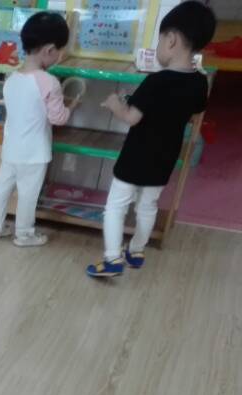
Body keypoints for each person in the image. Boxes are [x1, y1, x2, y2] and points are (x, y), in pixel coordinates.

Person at [87, 0, 216, 278]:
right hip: (165, 157)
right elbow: (194, 110)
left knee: (116, 205)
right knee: (148, 205)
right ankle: (136, 252)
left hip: (136, 157)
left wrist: (115, 104)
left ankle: (112, 259)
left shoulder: (156, 81)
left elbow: (132, 117)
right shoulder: (199, 82)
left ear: (171, 40)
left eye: (159, 39)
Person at [0, 11, 76, 247]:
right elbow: (58, 118)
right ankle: (24, 234)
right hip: (34, 153)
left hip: (11, 149)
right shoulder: (49, 82)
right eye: (60, 50)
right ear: (49, 50)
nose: (60, 55)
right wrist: (72, 106)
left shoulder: (12, 78)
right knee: (28, 194)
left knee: (2, 188)